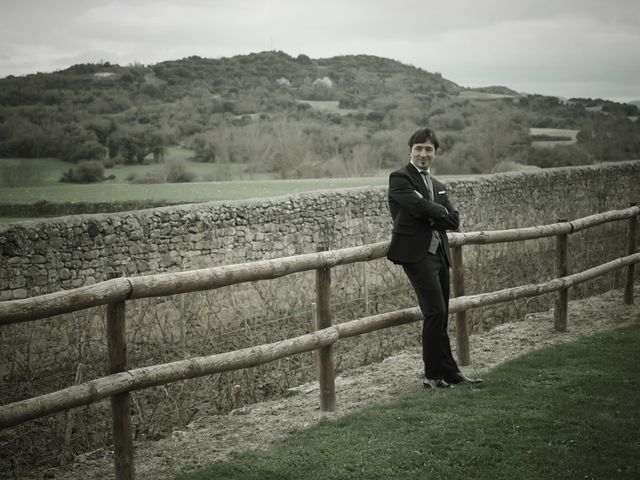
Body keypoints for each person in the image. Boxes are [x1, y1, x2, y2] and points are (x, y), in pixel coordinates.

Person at [387, 127, 482, 389]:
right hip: (416, 255)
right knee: (435, 312)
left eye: (429, 149)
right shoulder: (399, 178)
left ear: (435, 153)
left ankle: (450, 373)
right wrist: (434, 211)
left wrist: (432, 211)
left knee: (442, 315)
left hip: (440, 254)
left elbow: (453, 220)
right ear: (410, 151)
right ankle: (432, 375)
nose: (423, 153)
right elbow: (416, 206)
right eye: (418, 148)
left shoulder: (437, 186)